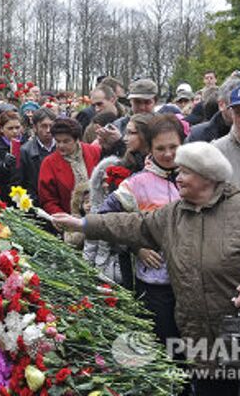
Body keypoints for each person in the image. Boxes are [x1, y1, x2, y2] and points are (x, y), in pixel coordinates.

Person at [52, 142, 240, 396]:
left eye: (186, 172)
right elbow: (133, 225)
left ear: (207, 177)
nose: (179, 177)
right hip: (199, 340)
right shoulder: (174, 214)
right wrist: (83, 224)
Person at [90, 115, 185, 345]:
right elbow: (104, 217)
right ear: (150, 148)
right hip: (156, 283)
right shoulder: (137, 183)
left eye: (174, 147)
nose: (168, 154)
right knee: (166, 349)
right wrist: (135, 246)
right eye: (160, 148)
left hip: (191, 281)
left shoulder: (197, 175)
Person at [37, 118, 101, 214]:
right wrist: (63, 219)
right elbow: (48, 200)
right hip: (68, 219)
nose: (61, 146)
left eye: (66, 141)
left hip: (97, 216)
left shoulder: (93, 152)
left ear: (76, 140)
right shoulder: (49, 163)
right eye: (58, 141)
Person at [0, 111, 27, 201]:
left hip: (25, 193)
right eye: (10, 128)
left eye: (17, 127)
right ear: (1, 129)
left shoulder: (27, 144)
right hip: (5, 195)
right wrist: (4, 165)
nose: (15, 131)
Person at [19, 107, 57, 205]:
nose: (48, 130)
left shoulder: (62, 148)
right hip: (37, 203)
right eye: (44, 126)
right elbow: (22, 182)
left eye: (51, 126)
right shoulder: (25, 151)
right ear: (35, 127)